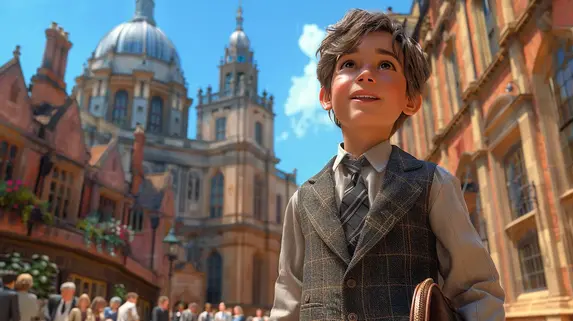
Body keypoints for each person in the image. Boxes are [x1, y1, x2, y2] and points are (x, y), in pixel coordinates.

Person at [269, 8, 506, 321]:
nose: (365, 75)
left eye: (385, 64)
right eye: (349, 64)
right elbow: (288, 300)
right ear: (326, 95)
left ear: (411, 99)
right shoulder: (302, 200)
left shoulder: (434, 185)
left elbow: (476, 290)